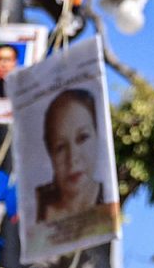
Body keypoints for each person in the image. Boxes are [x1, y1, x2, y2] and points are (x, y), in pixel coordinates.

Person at [35, 89, 109, 223]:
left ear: (98, 136)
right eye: (61, 147)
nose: (72, 158)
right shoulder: (35, 203)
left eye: (82, 138)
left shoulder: (109, 199)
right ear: (50, 154)